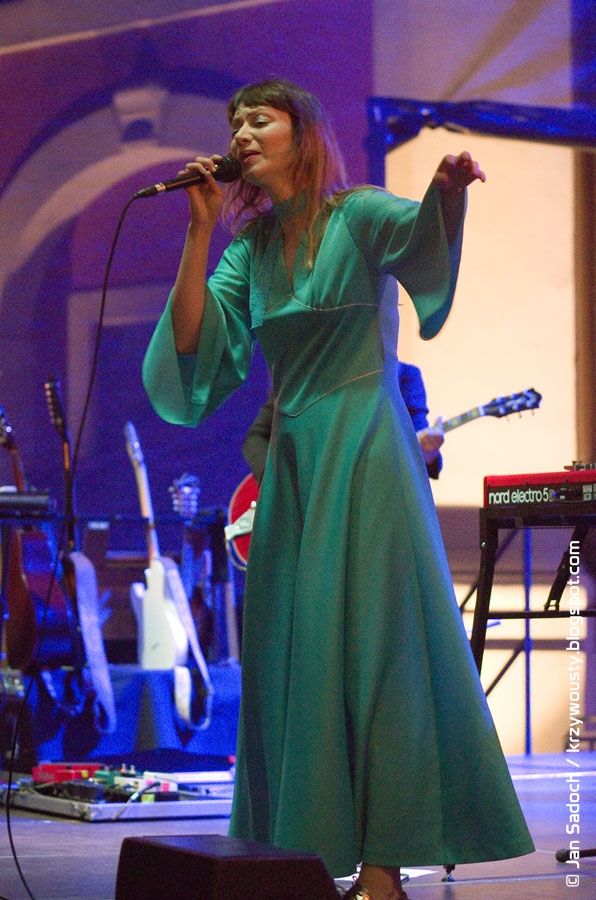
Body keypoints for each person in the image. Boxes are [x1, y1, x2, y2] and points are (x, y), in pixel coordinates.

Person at [142, 78, 534, 900]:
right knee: (299, 652)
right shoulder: (250, 250)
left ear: (303, 132)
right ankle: (305, 855)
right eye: (235, 122)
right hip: (294, 464)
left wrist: (446, 193)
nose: (242, 133)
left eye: (260, 119)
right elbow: (193, 342)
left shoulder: (358, 215)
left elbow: (420, 239)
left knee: (378, 649)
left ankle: (385, 866)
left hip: (365, 449)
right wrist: (200, 230)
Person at [243, 365, 444, 486]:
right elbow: (256, 437)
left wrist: (427, 454)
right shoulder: (301, 376)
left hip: (376, 505)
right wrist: (279, 486)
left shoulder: (404, 376)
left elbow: (420, 436)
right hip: (312, 511)